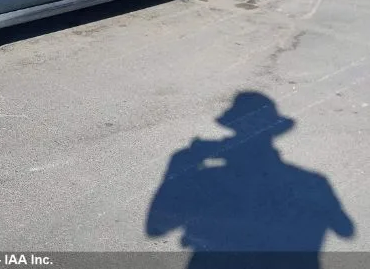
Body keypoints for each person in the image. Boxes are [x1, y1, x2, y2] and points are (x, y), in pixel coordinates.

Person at [146, 91, 354, 269]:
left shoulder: (207, 182)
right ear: (272, 134)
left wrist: (178, 169)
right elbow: (345, 229)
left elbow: (156, 227)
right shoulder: (313, 182)